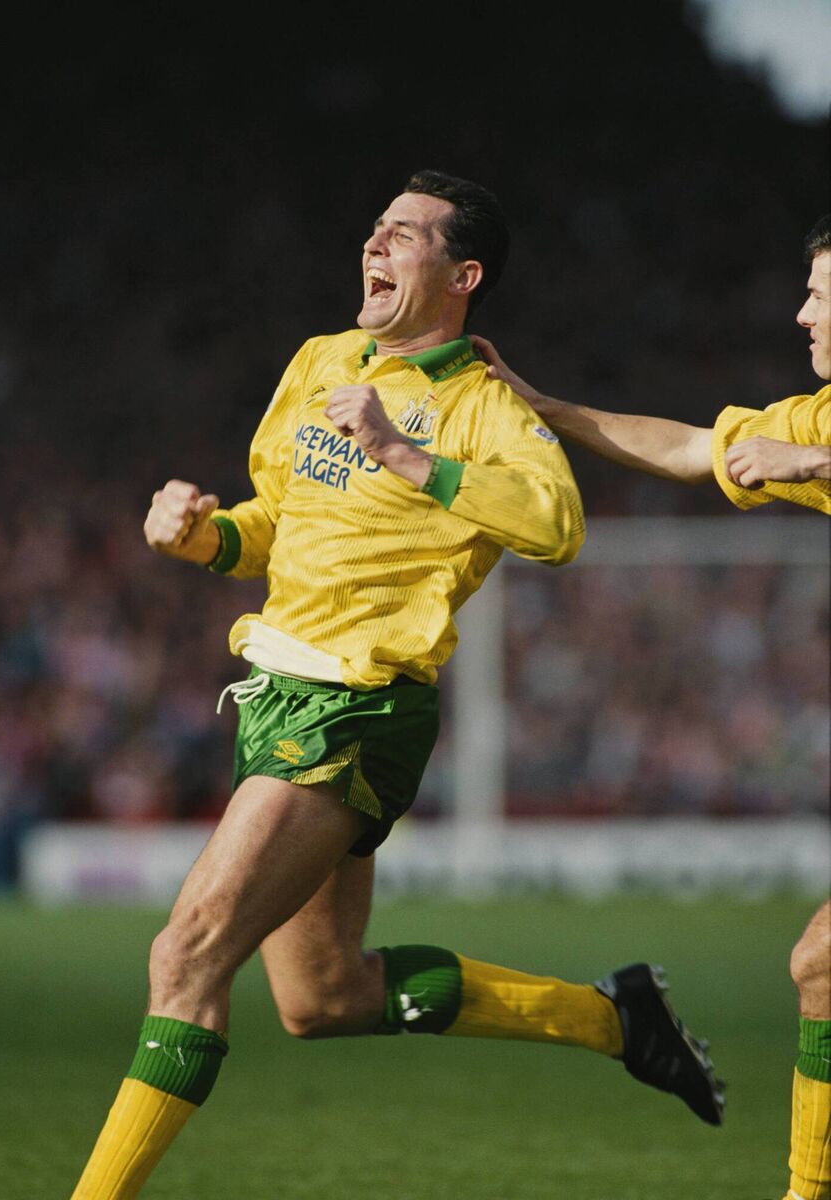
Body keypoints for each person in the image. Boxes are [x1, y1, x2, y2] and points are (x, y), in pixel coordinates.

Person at [69, 169, 724, 1199]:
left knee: (186, 955)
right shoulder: (322, 361)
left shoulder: (482, 407)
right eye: (375, 228)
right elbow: (271, 527)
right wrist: (201, 537)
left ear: (463, 276)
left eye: (406, 235)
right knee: (323, 997)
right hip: (276, 690)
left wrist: (404, 453)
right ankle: (613, 1017)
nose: (376, 245)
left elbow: (556, 528)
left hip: (356, 705)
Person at [472, 212, 831, 1200]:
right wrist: (546, 407)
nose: (802, 313)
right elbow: (682, 448)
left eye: (819, 294)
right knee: (823, 967)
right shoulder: (816, 419)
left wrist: (821, 466)